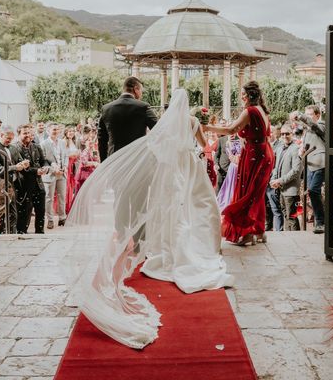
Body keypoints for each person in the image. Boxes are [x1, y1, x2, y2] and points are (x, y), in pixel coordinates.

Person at [66, 89, 233, 350]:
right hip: (180, 166)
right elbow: (159, 136)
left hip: (121, 163)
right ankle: (145, 239)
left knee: (126, 203)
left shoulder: (108, 108)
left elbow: (104, 140)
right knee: (188, 205)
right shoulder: (151, 110)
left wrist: (108, 162)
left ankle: (124, 235)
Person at [203, 81, 275, 245]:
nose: (241, 97)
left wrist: (207, 128)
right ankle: (259, 231)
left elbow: (230, 130)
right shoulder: (262, 110)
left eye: (243, 94)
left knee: (247, 193)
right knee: (257, 193)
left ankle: (247, 232)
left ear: (250, 95)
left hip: (255, 154)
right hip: (265, 152)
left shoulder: (250, 111)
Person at [97, 76, 158, 161]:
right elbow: (158, 129)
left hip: (114, 160)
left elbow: (101, 140)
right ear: (136, 89)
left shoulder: (106, 109)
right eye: (141, 91)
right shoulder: (143, 107)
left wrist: (104, 163)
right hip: (136, 159)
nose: (141, 94)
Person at [291, 105, 326, 234]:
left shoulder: (322, 125)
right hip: (309, 165)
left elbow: (313, 125)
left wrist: (300, 116)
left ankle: (321, 222)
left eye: (310, 114)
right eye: (306, 114)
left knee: (313, 191)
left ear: (317, 115)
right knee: (311, 193)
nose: (307, 117)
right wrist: (301, 150)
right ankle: (319, 221)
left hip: (320, 164)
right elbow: (305, 145)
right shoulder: (307, 131)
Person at [10, 124, 48, 234]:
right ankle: (22, 235)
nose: (28, 135)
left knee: (41, 212)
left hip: (38, 185)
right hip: (24, 186)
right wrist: (36, 171)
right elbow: (21, 168)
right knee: (24, 214)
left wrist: (45, 167)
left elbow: (43, 161)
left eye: (29, 133)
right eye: (25, 133)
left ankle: (40, 234)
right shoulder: (15, 148)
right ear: (19, 134)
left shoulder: (36, 146)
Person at [269, 123, 302, 230]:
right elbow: (276, 166)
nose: (284, 136)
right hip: (281, 189)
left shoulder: (296, 148)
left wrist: (280, 181)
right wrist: (273, 179)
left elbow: (296, 171)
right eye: (282, 134)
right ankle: (288, 239)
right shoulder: (279, 148)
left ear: (291, 134)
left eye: (287, 134)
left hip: (291, 189)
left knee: (292, 217)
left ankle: (295, 240)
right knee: (285, 215)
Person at [40, 124, 68, 229]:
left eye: (57, 129)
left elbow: (65, 156)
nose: (56, 131)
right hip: (50, 174)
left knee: (62, 197)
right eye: (54, 129)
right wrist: (53, 169)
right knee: (49, 198)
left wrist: (65, 166)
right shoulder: (43, 144)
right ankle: (50, 220)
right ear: (48, 131)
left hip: (62, 174)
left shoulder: (62, 142)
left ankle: (62, 218)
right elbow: (43, 160)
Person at [216, 133, 241, 211]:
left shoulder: (240, 140)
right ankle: (218, 206)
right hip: (225, 168)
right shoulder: (223, 141)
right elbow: (217, 154)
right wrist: (216, 165)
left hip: (237, 168)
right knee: (223, 188)